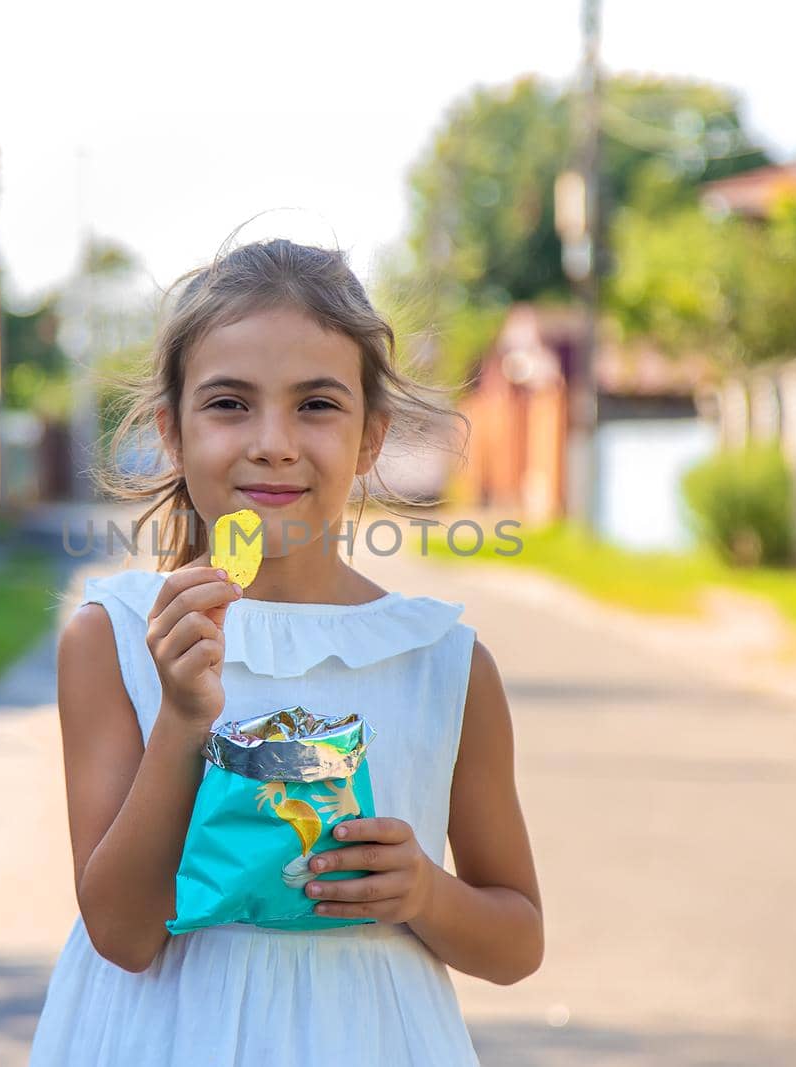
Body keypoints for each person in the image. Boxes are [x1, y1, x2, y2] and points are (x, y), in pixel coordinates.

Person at [29, 233, 542, 1065]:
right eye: (229, 403)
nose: (273, 440)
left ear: (372, 437)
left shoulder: (441, 661)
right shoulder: (116, 637)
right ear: (172, 431)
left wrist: (424, 892)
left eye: (316, 404)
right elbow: (123, 934)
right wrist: (184, 719)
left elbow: (517, 939)